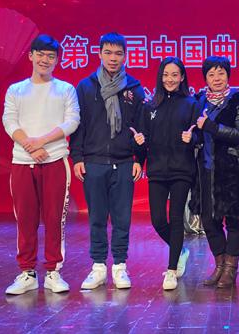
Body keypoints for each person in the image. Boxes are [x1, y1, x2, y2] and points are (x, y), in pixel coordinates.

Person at [2, 34, 80, 295]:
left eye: (51, 56)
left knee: (55, 218)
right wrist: (29, 145)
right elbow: (9, 121)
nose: (45, 60)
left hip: (55, 159)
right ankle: (27, 272)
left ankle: (53, 272)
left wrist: (42, 142)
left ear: (57, 61)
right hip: (22, 161)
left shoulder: (66, 89)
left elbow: (72, 121)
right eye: (41, 54)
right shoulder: (16, 90)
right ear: (31, 56)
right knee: (25, 219)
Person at [69, 32, 146, 290]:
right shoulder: (86, 86)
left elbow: (141, 128)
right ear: (100, 54)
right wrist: (77, 157)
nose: (113, 58)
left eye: (118, 53)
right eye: (108, 53)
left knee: (122, 218)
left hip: (124, 163)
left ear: (125, 56)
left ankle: (120, 266)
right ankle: (98, 267)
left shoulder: (134, 87)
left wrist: (139, 159)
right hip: (94, 162)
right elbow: (79, 125)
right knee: (97, 218)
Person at [189, 56, 239, 288]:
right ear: (205, 78)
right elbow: (196, 132)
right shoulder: (199, 101)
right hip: (205, 170)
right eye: (211, 74)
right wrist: (192, 137)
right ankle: (219, 265)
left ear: (228, 75)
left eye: (221, 73)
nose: (217, 78)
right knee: (209, 221)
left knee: (234, 221)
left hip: (233, 170)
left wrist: (209, 126)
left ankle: (230, 268)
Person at [130, 57, 198, 290]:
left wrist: (192, 138)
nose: (170, 79)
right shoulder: (150, 106)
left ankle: (171, 270)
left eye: (175, 74)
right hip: (157, 170)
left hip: (182, 169)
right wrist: (139, 146)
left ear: (182, 77)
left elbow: (198, 135)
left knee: (177, 218)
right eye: (166, 74)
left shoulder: (191, 103)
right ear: (160, 77)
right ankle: (181, 251)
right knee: (158, 220)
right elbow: (142, 140)